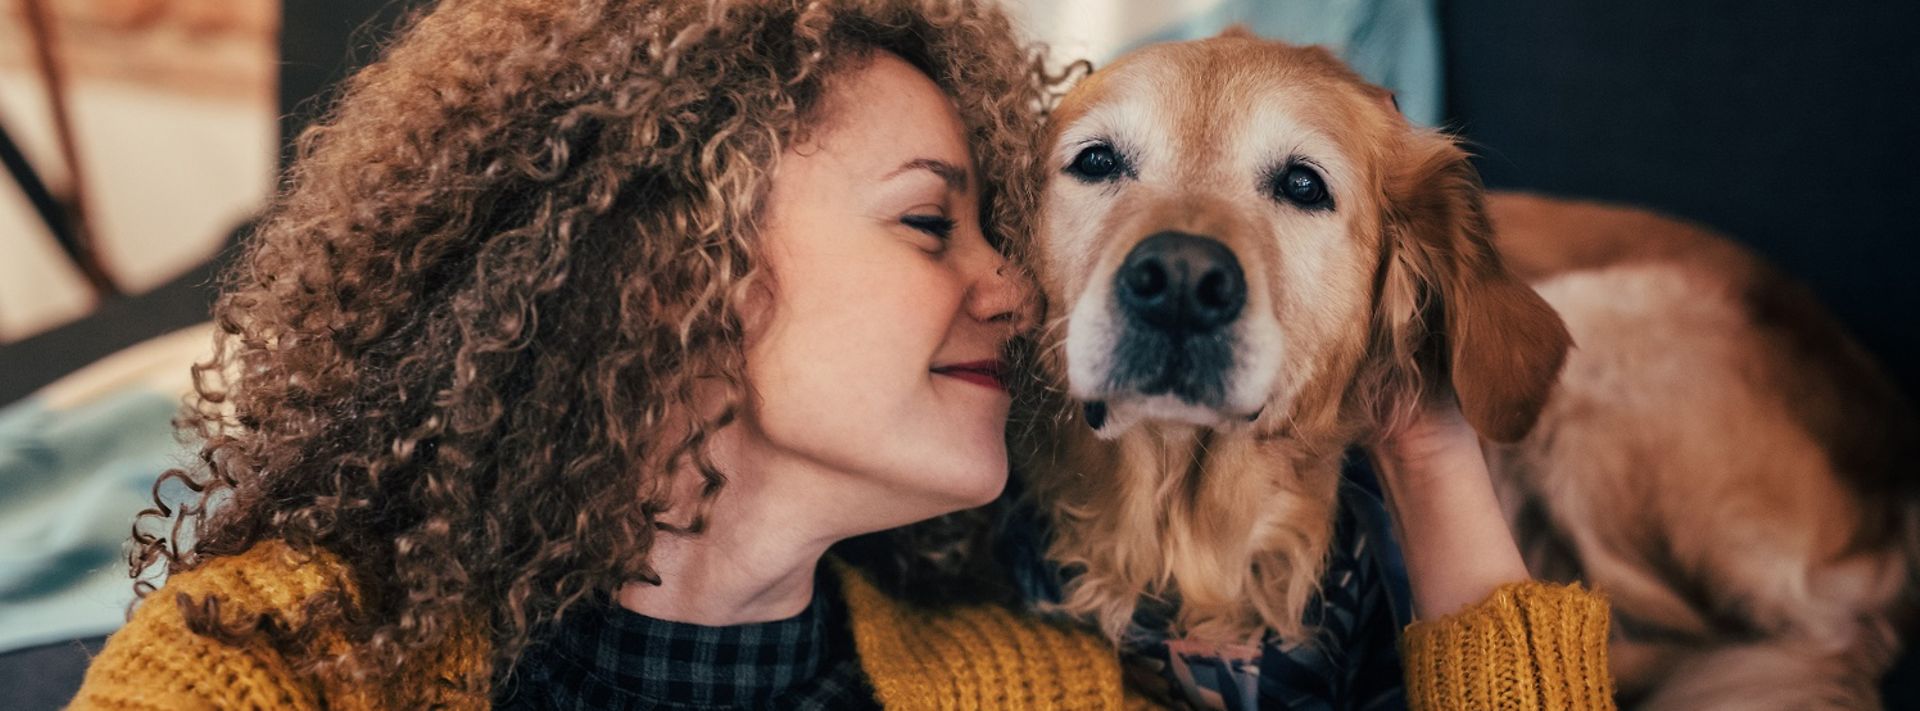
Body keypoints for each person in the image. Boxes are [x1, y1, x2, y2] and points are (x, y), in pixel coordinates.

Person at [68, 0, 1612, 709]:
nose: (1018, 288)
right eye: (935, 224)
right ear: (677, 271)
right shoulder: (277, 657)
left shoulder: (1019, 690)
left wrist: (1426, 442)